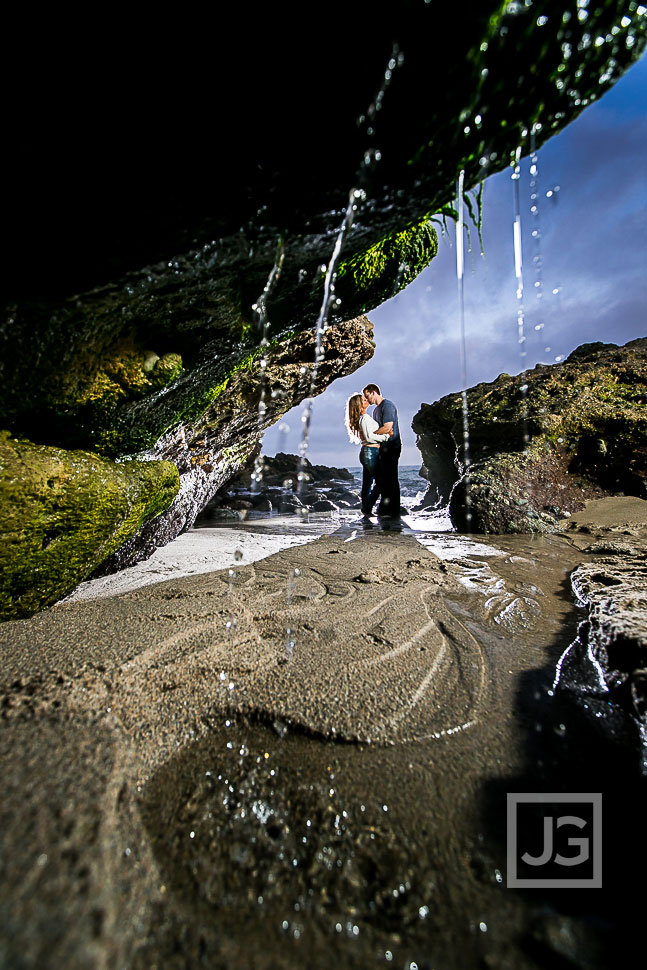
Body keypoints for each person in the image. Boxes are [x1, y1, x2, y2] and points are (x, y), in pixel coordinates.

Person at [345, 393, 392, 516]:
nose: (367, 400)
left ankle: (366, 509)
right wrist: (386, 436)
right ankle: (367, 507)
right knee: (382, 482)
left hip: (368, 453)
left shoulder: (363, 418)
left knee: (367, 483)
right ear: (359, 405)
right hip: (370, 452)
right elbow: (369, 437)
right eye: (364, 400)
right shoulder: (364, 418)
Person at [362, 383, 401, 518]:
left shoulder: (388, 406)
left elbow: (387, 427)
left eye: (367, 396)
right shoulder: (375, 410)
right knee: (384, 479)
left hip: (392, 446)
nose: (367, 400)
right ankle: (384, 509)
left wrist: (371, 435)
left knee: (392, 479)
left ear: (374, 392)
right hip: (382, 448)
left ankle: (394, 511)